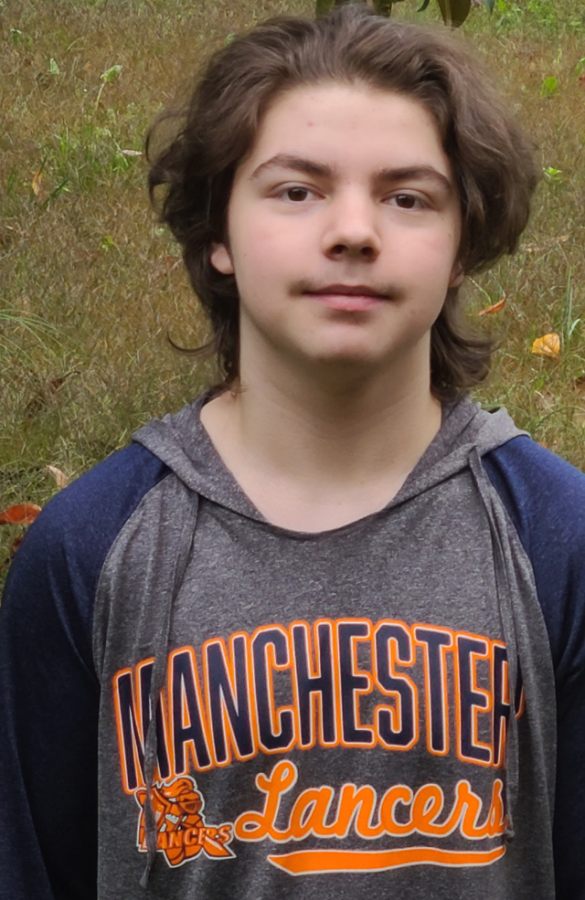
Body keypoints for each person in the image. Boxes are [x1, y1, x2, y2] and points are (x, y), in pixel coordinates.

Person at [1, 4, 584, 898]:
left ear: (461, 245)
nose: (353, 230)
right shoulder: (89, 550)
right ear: (218, 235)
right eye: (296, 189)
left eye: (407, 197)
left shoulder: (557, 541)